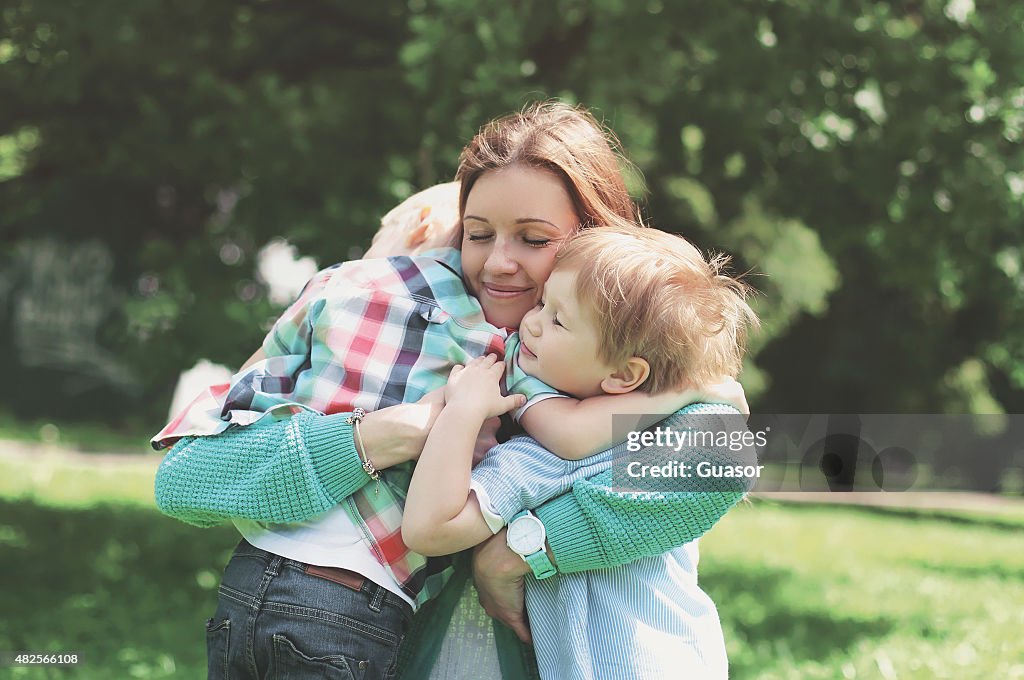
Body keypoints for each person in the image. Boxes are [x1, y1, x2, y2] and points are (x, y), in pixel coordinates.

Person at [152, 102, 749, 680]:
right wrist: (387, 433)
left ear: (597, 245)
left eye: (536, 241)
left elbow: (721, 459)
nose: (497, 264)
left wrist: (517, 552)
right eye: (475, 234)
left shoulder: (636, 355)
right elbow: (186, 476)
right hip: (371, 637)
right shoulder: (426, 327)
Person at [403, 225, 759, 679]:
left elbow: (429, 529)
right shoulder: (668, 439)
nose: (529, 323)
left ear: (625, 375)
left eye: (557, 319)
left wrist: (463, 411)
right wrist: (683, 394)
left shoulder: (547, 461)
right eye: (541, 303)